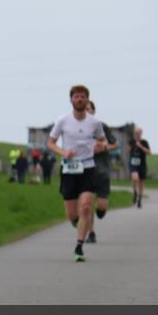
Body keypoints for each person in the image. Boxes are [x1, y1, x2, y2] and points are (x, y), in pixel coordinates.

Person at [46, 85, 107, 262]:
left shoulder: (94, 123)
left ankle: (79, 246)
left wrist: (100, 145)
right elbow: (50, 143)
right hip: (69, 168)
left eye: (83, 97)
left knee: (87, 206)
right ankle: (76, 222)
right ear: (71, 100)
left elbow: (102, 140)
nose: (80, 99)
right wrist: (62, 152)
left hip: (88, 168)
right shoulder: (63, 120)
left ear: (87, 100)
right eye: (76, 97)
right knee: (72, 214)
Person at [85, 100, 118, 244]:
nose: (87, 111)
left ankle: (102, 210)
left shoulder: (102, 126)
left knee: (101, 207)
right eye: (84, 109)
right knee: (88, 203)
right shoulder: (77, 128)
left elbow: (115, 144)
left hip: (102, 170)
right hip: (86, 170)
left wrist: (103, 148)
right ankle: (91, 233)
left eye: (89, 109)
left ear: (94, 111)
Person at [128, 127, 151, 208]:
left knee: (141, 182)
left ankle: (140, 200)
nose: (137, 135)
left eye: (138, 133)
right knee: (135, 178)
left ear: (141, 134)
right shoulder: (131, 141)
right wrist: (130, 148)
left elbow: (149, 152)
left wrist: (140, 146)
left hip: (142, 165)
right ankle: (135, 192)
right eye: (135, 133)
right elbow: (128, 151)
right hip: (133, 164)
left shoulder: (144, 142)